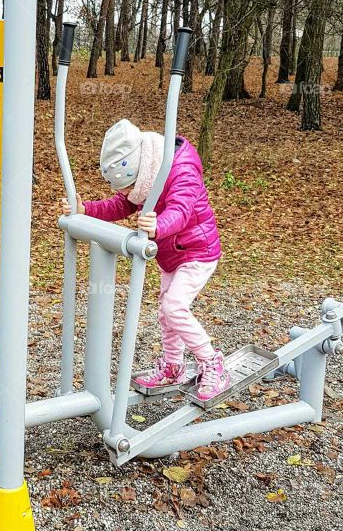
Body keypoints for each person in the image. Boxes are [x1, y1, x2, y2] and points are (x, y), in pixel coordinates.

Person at [62, 119, 230, 401]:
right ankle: (173, 365)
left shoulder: (181, 168)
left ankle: (212, 362)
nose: (128, 194)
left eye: (129, 187)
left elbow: (182, 208)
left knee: (174, 306)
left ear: (140, 171)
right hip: (171, 254)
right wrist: (85, 209)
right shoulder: (146, 173)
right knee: (166, 313)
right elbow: (121, 204)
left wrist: (158, 226)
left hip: (198, 251)